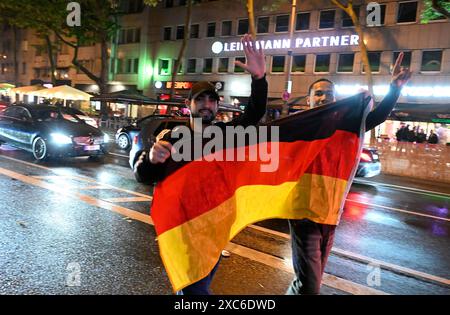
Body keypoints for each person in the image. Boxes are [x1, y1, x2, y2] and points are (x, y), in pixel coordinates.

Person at [134, 34, 267, 295]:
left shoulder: (228, 135)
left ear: (218, 105)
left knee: (194, 289)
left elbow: (254, 113)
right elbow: (143, 174)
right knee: (195, 291)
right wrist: (151, 158)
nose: (207, 105)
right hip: (182, 231)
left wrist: (259, 79)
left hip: (214, 232)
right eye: (200, 100)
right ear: (188, 105)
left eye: (212, 100)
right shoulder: (171, 136)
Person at [286, 52, 412, 295]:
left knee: (310, 282)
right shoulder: (297, 125)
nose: (324, 97)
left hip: (331, 215)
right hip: (303, 215)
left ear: (336, 100)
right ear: (309, 100)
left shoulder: (348, 126)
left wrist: (394, 88)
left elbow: (377, 116)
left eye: (329, 94)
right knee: (310, 286)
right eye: (318, 93)